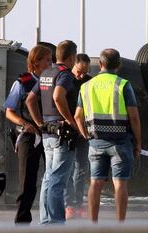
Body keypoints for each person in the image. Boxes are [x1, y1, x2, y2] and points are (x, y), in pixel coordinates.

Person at [74, 48, 141, 223]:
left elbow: (77, 116)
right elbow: (134, 116)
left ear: (101, 64)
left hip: (95, 143)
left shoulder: (86, 86)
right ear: (118, 65)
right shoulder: (123, 85)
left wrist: (86, 135)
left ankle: (93, 228)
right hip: (120, 143)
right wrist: (138, 142)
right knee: (120, 184)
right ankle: (119, 227)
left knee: (95, 183)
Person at [26, 40, 78, 224]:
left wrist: (40, 122)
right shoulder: (65, 75)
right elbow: (58, 96)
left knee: (48, 177)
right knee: (58, 179)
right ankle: (56, 223)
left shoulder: (46, 73)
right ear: (72, 57)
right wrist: (71, 121)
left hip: (47, 132)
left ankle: (46, 221)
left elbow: (30, 100)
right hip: (62, 134)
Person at [3, 44, 52, 224]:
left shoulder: (52, 81)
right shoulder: (22, 83)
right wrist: (25, 124)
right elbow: (9, 111)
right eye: (47, 60)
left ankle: (50, 219)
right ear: (36, 62)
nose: (50, 63)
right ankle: (22, 222)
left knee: (52, 177)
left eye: (51, 59)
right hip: (29, 136)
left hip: (49, 135)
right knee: (28, 182)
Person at [64, 53, 92, 219]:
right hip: (68, 129)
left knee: (82, 167)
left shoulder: (89, 81)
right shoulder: (65, 80)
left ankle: (79, 202)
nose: (81, 75)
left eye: (85, 72)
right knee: (67, 168)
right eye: (79, 71)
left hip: (83, 130)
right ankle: (69, 204)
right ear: (73, 64)